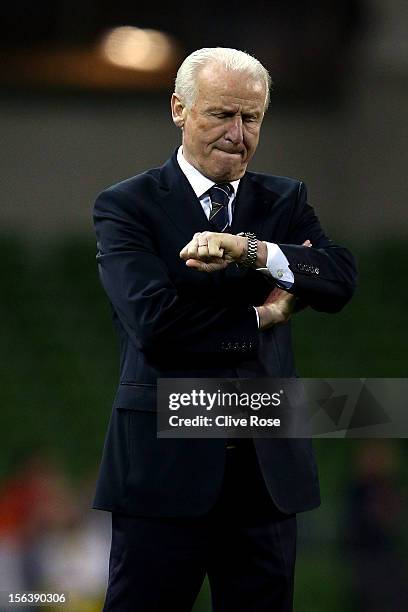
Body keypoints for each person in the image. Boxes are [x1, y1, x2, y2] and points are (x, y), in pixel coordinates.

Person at [92, 47, 357, 612]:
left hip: (266, 478)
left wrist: (250, 250)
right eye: (220, 114)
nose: (237, 133)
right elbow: (156, 326)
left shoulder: (284, 200)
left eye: (251, 117)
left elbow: (338, 280)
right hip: (164, 473)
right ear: (178, 110)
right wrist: (263, 315)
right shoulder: (127, 206)